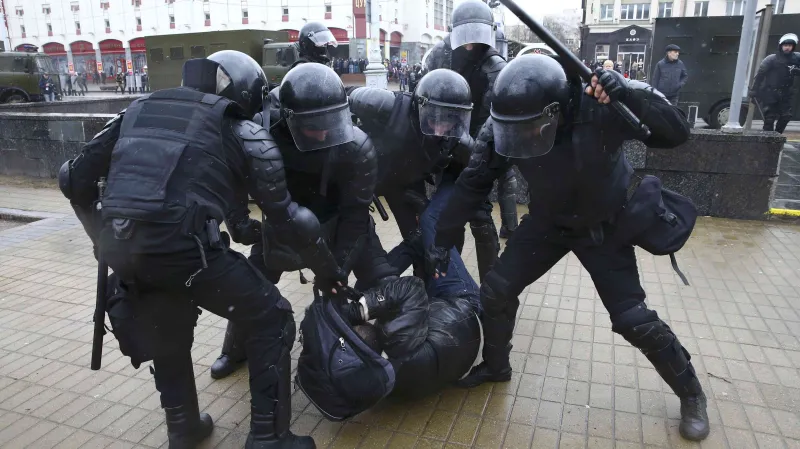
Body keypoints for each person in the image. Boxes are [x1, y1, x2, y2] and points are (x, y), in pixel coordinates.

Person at [58, 50, 341, 449]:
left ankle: (184, 428)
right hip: (186, 254)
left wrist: (102, 243)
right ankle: (268, 437)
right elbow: (291, 219)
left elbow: (71, 178)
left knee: (165, 325)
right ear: (249, 94)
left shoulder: (138, 110)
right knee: (272, 318)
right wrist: (328, 272)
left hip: (128, 252)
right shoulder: (241, 129)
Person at [426, 54, 709, 441]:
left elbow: (676, 133)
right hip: (547, 222)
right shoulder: (505, 124)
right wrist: (442, 239)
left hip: (603, 225)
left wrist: (630, 93)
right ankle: (496, 366)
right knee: (496, 291)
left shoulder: (599, 106)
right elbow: (474, 182)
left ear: (557, 110)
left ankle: (692, 394)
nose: (522, 139)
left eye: (531, 128)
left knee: (633, 319)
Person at [210, 63, 394, 379]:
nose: (323, 133)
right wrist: (237, 220)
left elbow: (355, 214)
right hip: (286, 219)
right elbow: (230, 176)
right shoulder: (262, 133)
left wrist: (337, 270)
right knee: (251, 285)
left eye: (330, 123)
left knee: (382, 278)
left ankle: (392, 349)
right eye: (313, 126)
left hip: (341, 218)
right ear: (290, 118)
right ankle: (234, 350)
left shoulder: (356, 146)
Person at [419, 0, 518, 278]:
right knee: (448, 214)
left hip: (479, 143)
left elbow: (494, 120)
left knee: (480, 214)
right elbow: (428, 98)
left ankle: (489, 281)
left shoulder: (495, 67)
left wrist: (473, 150)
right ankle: (451, 275)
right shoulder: (440, 54)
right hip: (444, 141)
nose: (471, 46)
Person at [348, 68, 473, 242]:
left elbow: (475, 178)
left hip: (407, 186)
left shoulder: (459, 141)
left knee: (418, 240)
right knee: (358, 240)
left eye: (446, 123)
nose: (438, 130)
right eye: (433, 119)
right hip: (369, 177)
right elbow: (344, 100)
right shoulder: (389, 106)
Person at [753, 33, 800, 134]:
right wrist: (754, 90)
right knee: (769, 119)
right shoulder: (771, 59)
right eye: (785, 45)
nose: (787, 48)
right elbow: (760, 75)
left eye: (790, 45)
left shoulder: (796, 58)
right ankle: (767, 141)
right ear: (781, 46)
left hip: (786, 94)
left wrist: (798, 71)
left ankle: (777, 136)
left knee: (786, 116)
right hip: (770, 93)